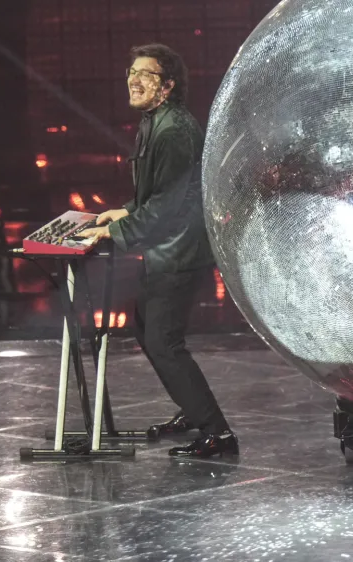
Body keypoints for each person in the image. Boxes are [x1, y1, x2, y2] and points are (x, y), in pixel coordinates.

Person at [79, 44, 237, 457]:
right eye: (131, 71)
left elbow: (169, 207)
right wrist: (124, 211)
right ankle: (193, 408)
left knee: (164, 342)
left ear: (166, 87)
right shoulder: (155, 123)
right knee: (148, 327)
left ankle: (217, 432)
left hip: (180, 252)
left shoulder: (172, 131)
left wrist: (116, 231)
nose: (133, 80)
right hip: (167, 249)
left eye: (145, 75)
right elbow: (158, 194)